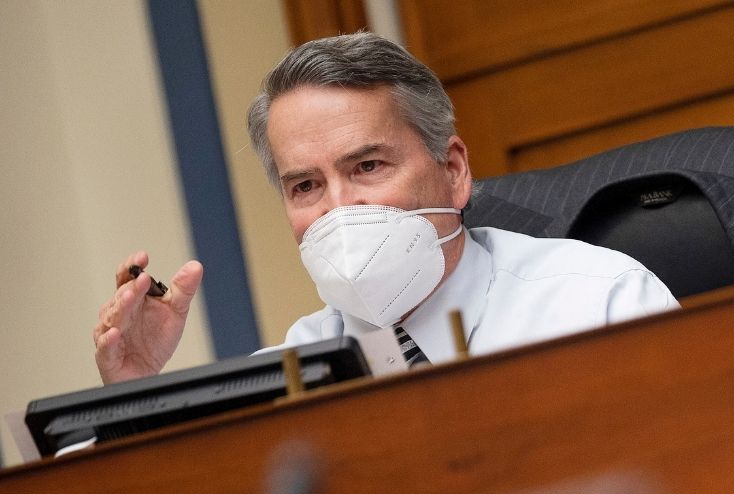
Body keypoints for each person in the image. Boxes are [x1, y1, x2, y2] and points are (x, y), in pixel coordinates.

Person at [93, 32, 676, 384]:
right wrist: (133, 398)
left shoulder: (598, 303)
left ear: (453, 171)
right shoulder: (282, 375)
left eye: (367, 167)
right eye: (305, 186)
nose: (340, 209)